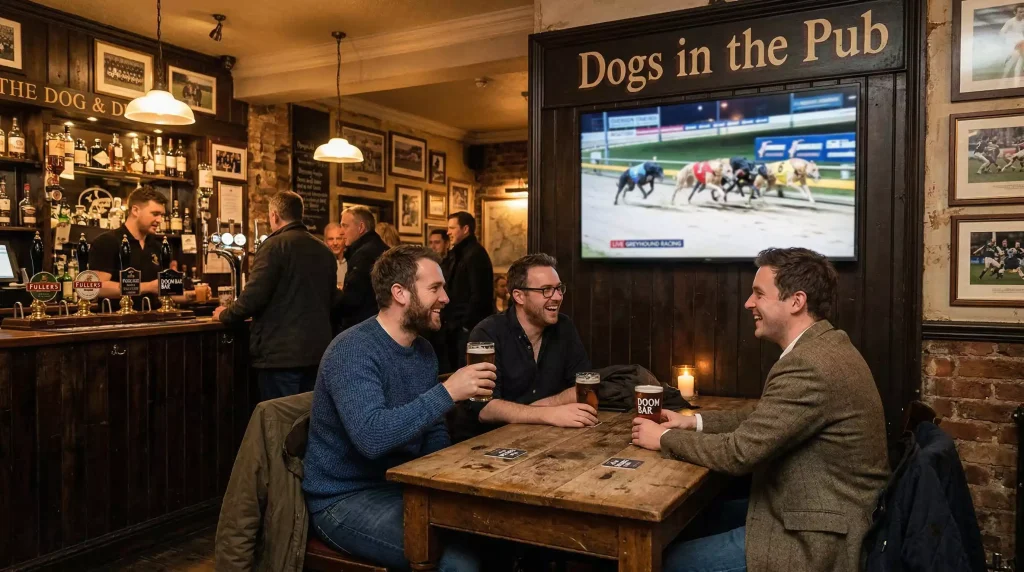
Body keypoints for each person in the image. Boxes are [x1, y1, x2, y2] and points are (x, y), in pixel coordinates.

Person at [631, 247, 889, 572]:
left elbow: (739, 454)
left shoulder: (809, 364)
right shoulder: (824, 345)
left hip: (819, 533)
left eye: (759, 294)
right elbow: (762, 418)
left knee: (669, 561)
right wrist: (692, 422)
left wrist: (662, 438)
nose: (748, 303)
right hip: (807, 506)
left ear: (796, 301)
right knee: (691, 520)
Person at [304, 245, 497, 571]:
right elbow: (372, 437)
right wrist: (448, 392)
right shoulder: (353, 350)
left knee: (493, 534)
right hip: (345, 497)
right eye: (435, 288)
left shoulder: (423, 350)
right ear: (400, 293)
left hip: (403, 486)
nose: (446, 298)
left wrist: (446, 479)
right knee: (458, 562)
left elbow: (433, 428)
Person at [214, 191, 337, 401]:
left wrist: (224, 314)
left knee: (280, 417)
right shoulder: (324, 250)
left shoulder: (273, 246)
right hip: (317, 352)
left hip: (280, 356)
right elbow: (332, 299)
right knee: (308, 415)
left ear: (274, 215)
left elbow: (253, 298)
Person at [467, 254, 597, 431]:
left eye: (559, 288)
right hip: (492, 440)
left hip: (547, 435)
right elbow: (484, 409)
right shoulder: (488, 333)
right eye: (546, 290)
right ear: (519, 296)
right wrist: (549, 414)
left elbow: (585, 388)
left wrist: (537, 409)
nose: (557, 297)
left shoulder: (564, 326)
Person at [90, 185, 171, 309]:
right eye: (155, 214)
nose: (160, 220)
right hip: (118, 319)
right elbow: (97, 287)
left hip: (154, 319)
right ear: (135, 211)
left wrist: (190, 295)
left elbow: (163, 289)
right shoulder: (107, 242)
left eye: (162, 215)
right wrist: (148, 287)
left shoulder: (157, 246)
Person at [443, 211, 495, 369]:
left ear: (465, 229)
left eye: (452, 228)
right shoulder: (458, 254)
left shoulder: (475, 254)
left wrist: (465, 325)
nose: (448, 232)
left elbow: (480, 295)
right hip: (456, 328)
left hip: (468, 330)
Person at [333, 206, 389, 331]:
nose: (341, 232)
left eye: (345, 226)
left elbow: (352, 300)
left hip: (364, 327)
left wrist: (333, 293)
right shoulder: (382, 248)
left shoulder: (363, 255)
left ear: (361, 227)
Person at [324, 222, 347, 288]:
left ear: (344, 240)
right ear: (325, 242)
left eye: (339, 238)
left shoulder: (352, 261)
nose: (335, 243)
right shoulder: (320, 264)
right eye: (331, 239)